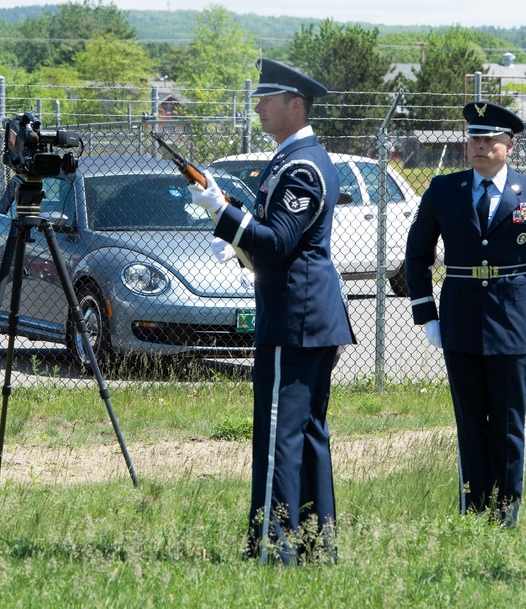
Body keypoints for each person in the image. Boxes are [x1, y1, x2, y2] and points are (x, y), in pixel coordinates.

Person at [189, 58, 353, 565]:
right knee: (306, 437)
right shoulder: (291, 160)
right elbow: (277, 244)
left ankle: (273, 549)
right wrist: (238, 237)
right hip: (303, 317)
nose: (257, 106)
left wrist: (222, 214)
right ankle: (314, 547)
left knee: (280, 436)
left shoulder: (301, 165)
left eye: (267, 98)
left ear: (295, 105)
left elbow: (279, 243)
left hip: (294, 321)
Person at [404, 101, 526, 527]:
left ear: (509, 145)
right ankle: (472, 509)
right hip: (459, 319)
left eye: (489, 139)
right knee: (469, 421)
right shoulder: (443, 190)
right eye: (473, 138)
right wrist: (427, 315)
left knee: (508, 422)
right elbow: (417, 255)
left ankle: (507, 512)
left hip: (513, 321)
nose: (479, 146)